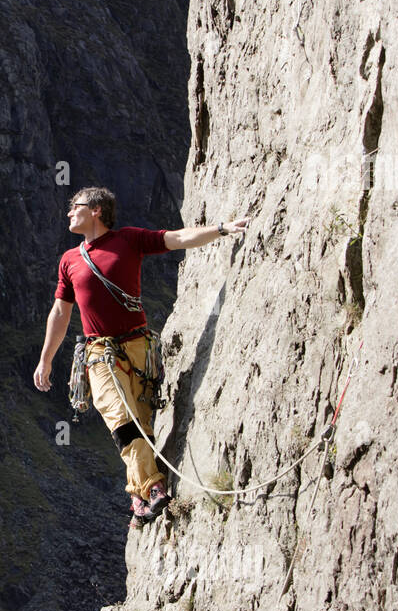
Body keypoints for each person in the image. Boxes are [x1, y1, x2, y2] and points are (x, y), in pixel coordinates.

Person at [33, 186, 250, 529]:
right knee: (120, 416)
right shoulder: (69, 261)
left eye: (74, 207)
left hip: (139, 350)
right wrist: (45, 359)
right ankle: (152, 488)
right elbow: (60, 313)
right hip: (99, 353)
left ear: (96, 210)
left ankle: (140, 497)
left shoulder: (129, 240)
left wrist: (221, 229)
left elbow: (177, 238)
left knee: (142, 425)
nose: (68, 213)